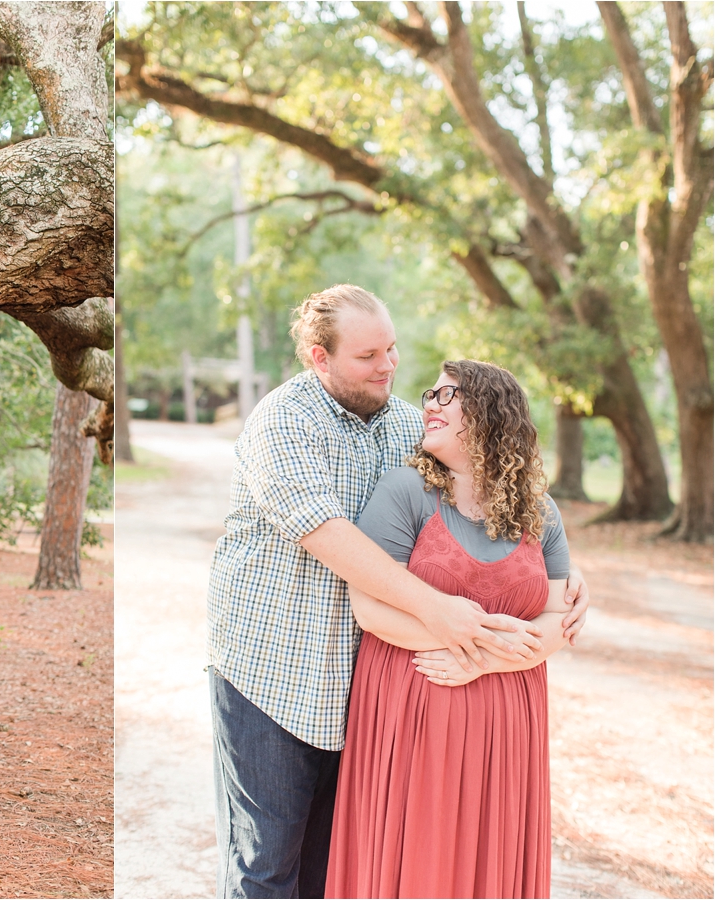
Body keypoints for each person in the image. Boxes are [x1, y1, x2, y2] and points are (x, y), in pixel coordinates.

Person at [206, 284, 588, 898]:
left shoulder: (411, 426)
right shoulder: (282, 422)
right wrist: (445, 617)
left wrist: (561, 576)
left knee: (333, 869)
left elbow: (487, 492)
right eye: (367, 356)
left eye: (391, 349)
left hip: (362, 684)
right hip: (274, 673)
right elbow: (330, 538)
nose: (388, 366)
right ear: (318, 357)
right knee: (266, 865)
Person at [326, 360, 571, 898]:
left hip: (509, 718)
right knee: (419, 860)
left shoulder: (540, 511)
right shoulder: (404, 492)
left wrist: (484, 659)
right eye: (429, 394)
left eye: (446, 395)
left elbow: (560, 617)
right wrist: (470, 642)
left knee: (492, 857)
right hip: (413, 706)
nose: (429, 403)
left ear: (488, 412)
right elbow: (369, 609)